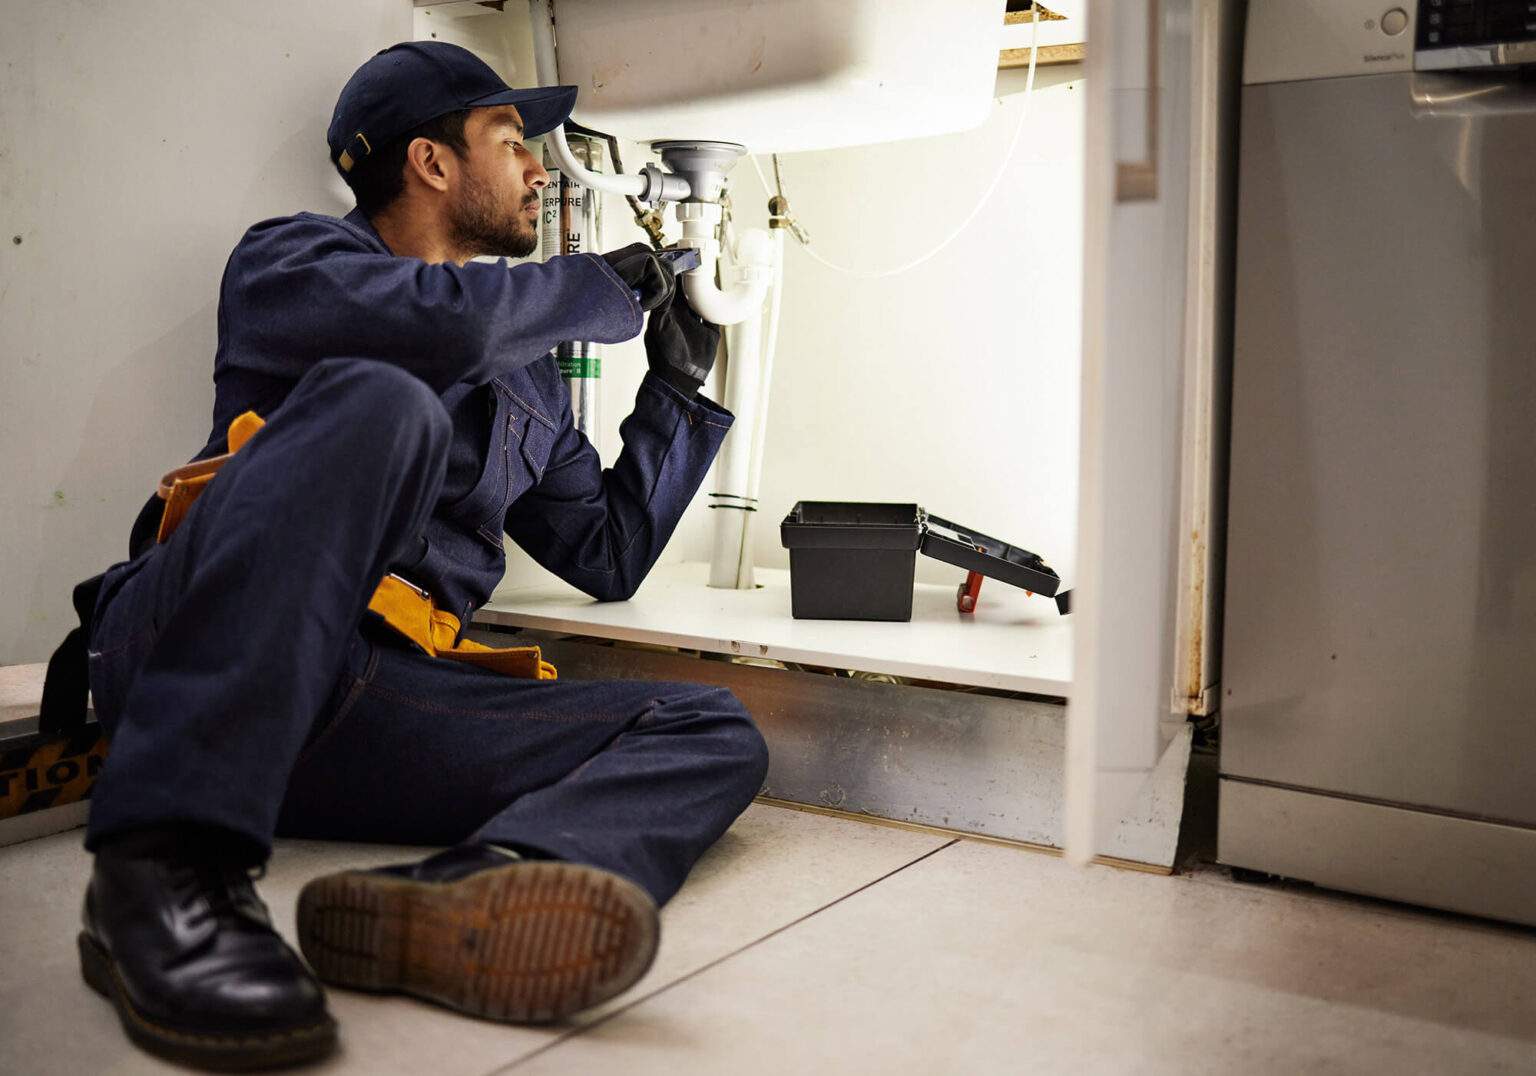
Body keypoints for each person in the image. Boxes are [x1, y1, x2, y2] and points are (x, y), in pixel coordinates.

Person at [63, 41, 769, 1071]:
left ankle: (473, 889)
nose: (538, 169)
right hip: (201, 663)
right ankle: (160, 869)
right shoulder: (291, 264)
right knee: (385, 399)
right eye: (509, 141)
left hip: (374, 707)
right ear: (432, 164)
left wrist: (676, 391)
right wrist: (591, 291)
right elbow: (439, 332)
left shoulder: (531, 387)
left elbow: (608, 554)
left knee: (710, 724)